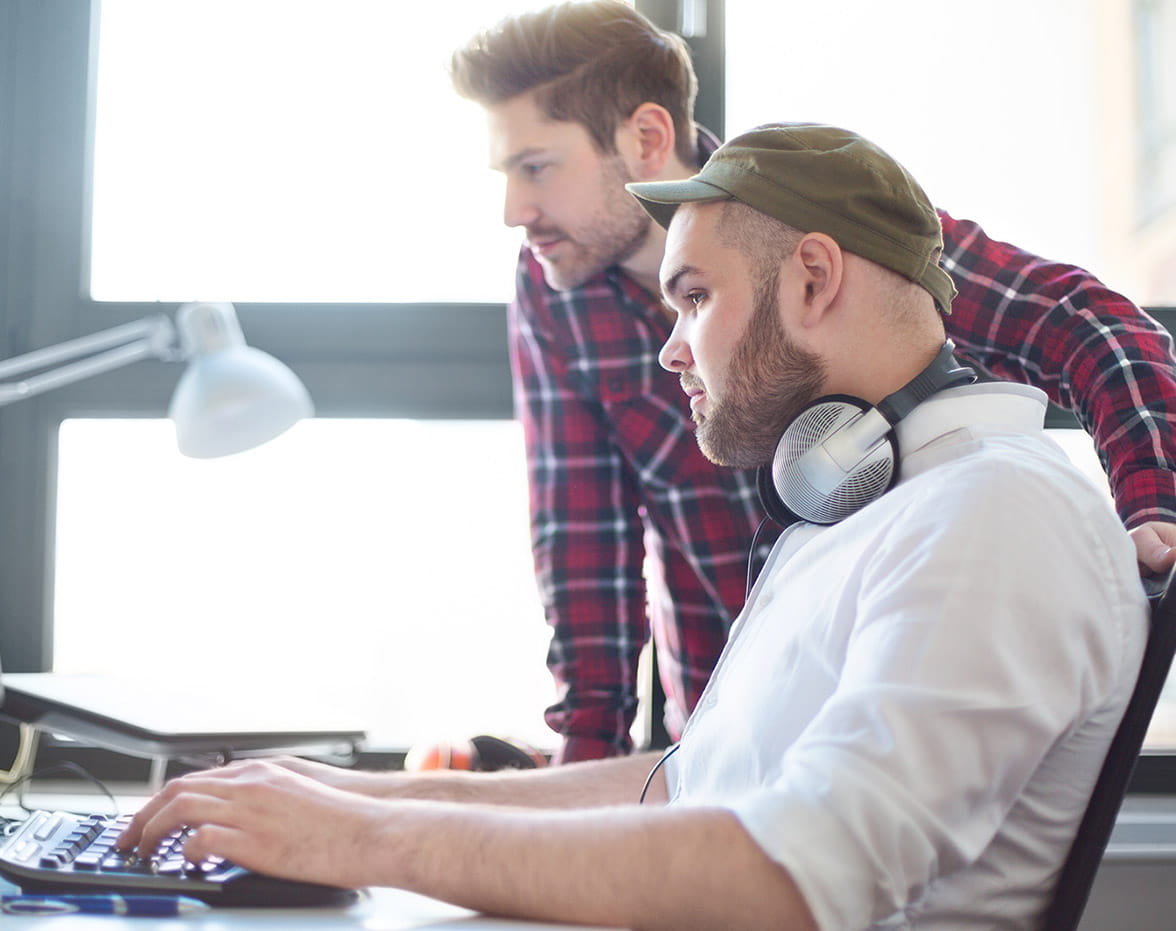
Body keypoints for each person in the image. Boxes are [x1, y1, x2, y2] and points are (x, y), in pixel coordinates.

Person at [118, 124, 1149, 929]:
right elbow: (680, 787)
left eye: (693, 298)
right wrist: (340, 796)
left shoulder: (992, 512)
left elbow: (791, 878)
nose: (669, 352)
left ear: (813, 278)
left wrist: (361, 839)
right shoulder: (861, 511)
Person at [449, 0, 1176, 762]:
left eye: (534, 167)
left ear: (647, 139)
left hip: (893, 712)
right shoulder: (551, 290)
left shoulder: (809, 220)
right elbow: (582, 548)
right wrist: (584, 780)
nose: (513, 210)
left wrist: (1152, 518)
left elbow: (1093, 330)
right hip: (719, 734)